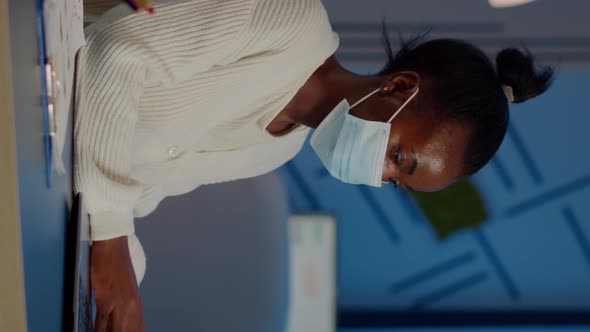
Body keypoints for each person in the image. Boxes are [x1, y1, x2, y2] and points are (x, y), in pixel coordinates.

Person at [75, 0, 553, 330]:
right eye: (398, 157)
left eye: (392, 181)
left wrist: (118, 294)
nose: (377, 175)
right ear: (400, 86)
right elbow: (116, 51)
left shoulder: (274, 151)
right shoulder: (290, 22)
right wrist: (112, 247)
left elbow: (133, 197)